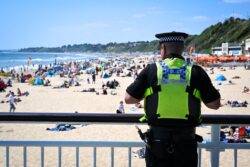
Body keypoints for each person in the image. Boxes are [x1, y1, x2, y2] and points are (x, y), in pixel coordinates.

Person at [125, 32, 221, 167]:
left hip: (157, 142)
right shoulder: (195, 71)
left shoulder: (151, 70)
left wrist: (148, 92)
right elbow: (215, 104)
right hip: (186, 142)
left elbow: (129, 99)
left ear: (163, 48)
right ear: (182, 48)